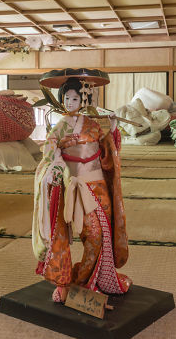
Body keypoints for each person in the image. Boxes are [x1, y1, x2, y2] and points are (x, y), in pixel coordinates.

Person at [32, 75, 131, 302]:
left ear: (83, 100)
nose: (70, 102)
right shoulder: (58, 127)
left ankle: (91, 279)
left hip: (96, 186)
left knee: (99, 235)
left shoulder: (94, 126)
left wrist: (114, 128)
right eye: (66, 98)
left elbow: (109, 152)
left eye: (75, 98)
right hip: (70, 187)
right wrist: (55, 165)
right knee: (60, 237)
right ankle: (63, 282)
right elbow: (49, 152)